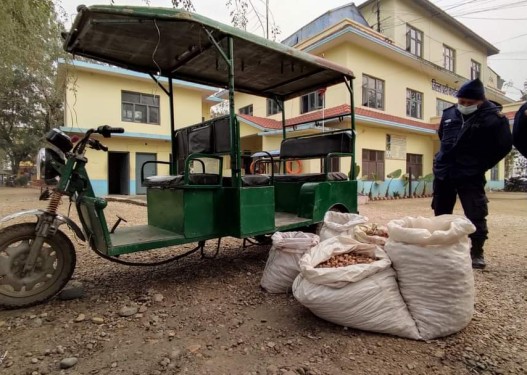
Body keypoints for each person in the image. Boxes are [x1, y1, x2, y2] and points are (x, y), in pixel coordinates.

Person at [433, 78, 512, 269]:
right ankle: (442, 248)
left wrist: (480, 165)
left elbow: (503, 147)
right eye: (462, 102)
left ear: (481, 100)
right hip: (445, 172)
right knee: (441, 212)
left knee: (475, 212)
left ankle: (477, 251)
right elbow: (443, 136)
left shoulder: (494, 118)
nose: (465, 106)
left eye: (470, 103)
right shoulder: (449, 113)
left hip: (471, 174)